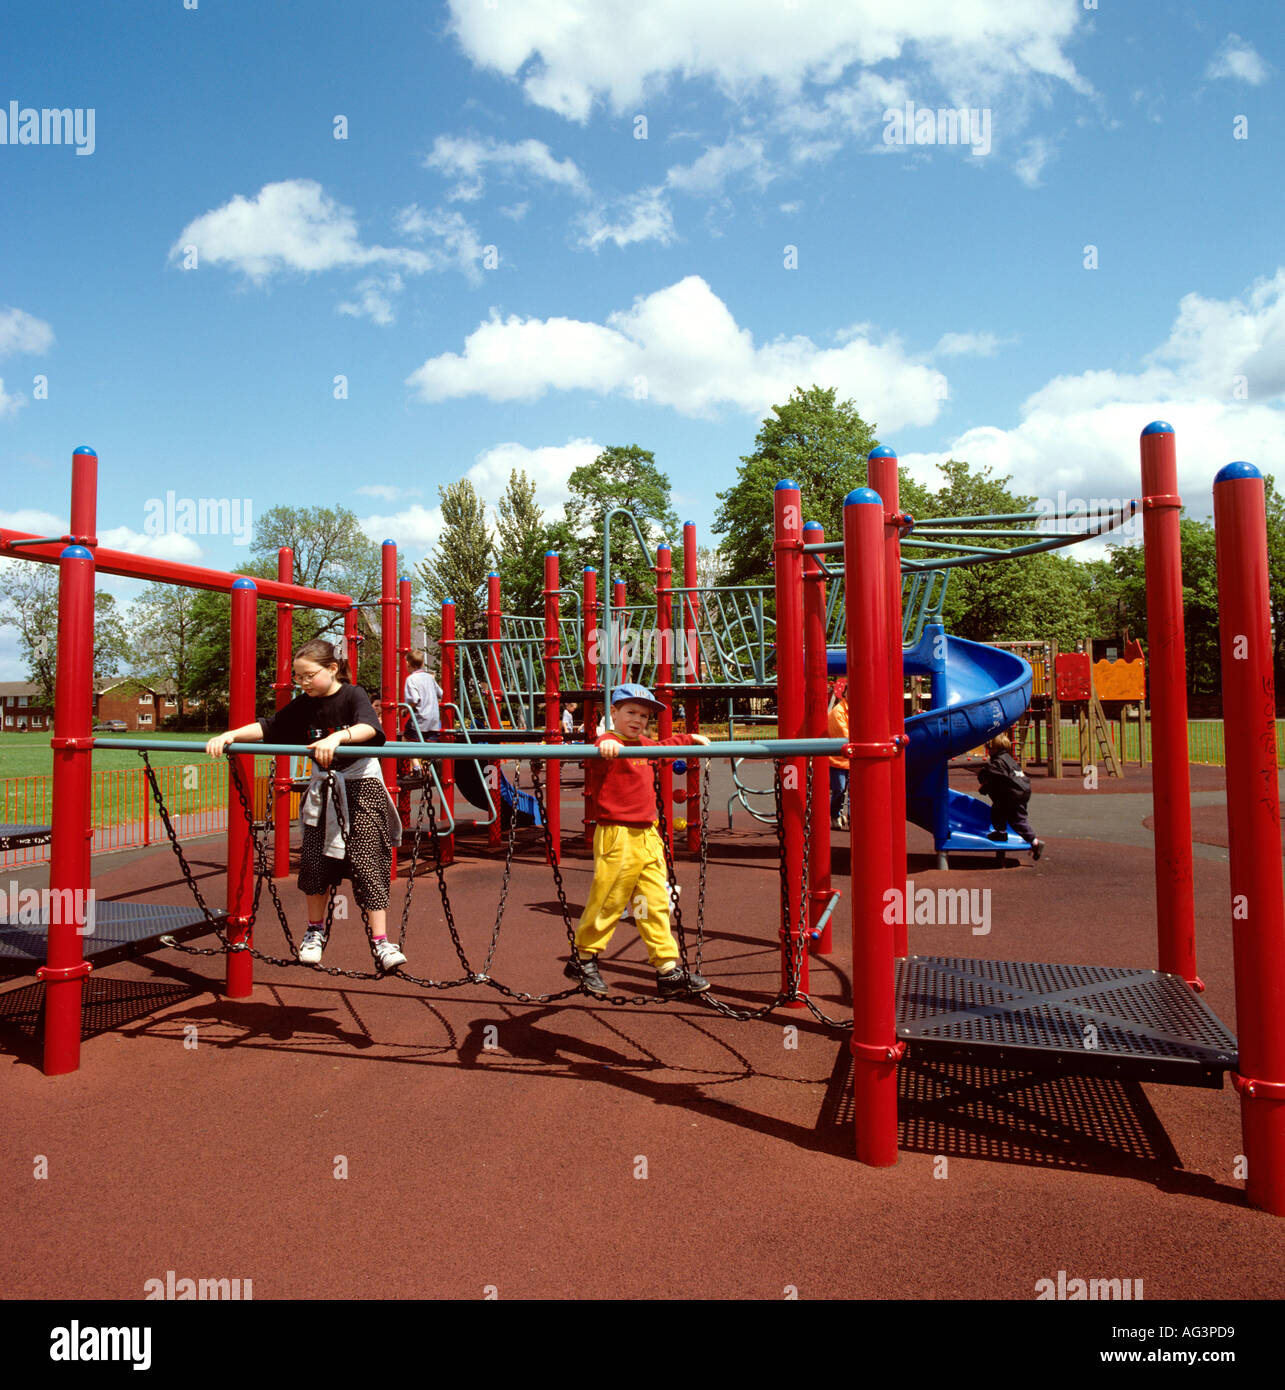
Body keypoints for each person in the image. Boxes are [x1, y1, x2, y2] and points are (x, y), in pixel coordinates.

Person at [204, 639, 406, 972]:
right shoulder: (303, 705)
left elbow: (370, 727)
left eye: (309, 675)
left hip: (361, 786)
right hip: (324, 789)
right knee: (315, 863)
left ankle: (381, 942)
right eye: (298, 677)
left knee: (368, 863)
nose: (303, 683)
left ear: (331, 669)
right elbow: (270, 726)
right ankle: (314, 933)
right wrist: (231, 735)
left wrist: (336, 737)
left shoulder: (352, 695)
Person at [566, 683, 711, 999]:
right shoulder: (608, 744)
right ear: (613, 713)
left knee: (654, 902)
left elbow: (666, 745)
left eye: (644, 716)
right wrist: (605, 744)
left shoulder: (645, 746)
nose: (637, 720)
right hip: (617, 834)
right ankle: (584, 956)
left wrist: (690, 739)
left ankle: (667, 968)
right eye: (631, 712)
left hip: (648, 835)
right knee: (610, 898)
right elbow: (599, 752)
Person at [977, 731, 1044, 860]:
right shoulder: (1007, 758)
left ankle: (1035, 842)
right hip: (1017, 792)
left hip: (1014, 794)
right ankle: (1000, 833)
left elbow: (993, 777)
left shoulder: (997, 763)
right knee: (998, 810)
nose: (987, 750)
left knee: (1017, 820)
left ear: (995, 748)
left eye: (989, 748)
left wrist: (983, 787)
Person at [402, 649, 443, 775]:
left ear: (408, 664)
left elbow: (414, 699)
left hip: (420, 718)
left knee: (406, 740)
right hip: (434, 720)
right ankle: (433, 764)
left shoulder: (411, 679)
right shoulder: (429, 678)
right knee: (430, 743)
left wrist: (405, 709)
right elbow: (440, 693)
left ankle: (417, 768)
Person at [827, 682, 849, 831]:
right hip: (839, 759)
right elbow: (844, 734)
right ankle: (835, 815)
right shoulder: (838, 711)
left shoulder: (860, 709)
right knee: (839, 789)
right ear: (845, 694)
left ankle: (852, 816)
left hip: (853, 757)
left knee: (854, 792)